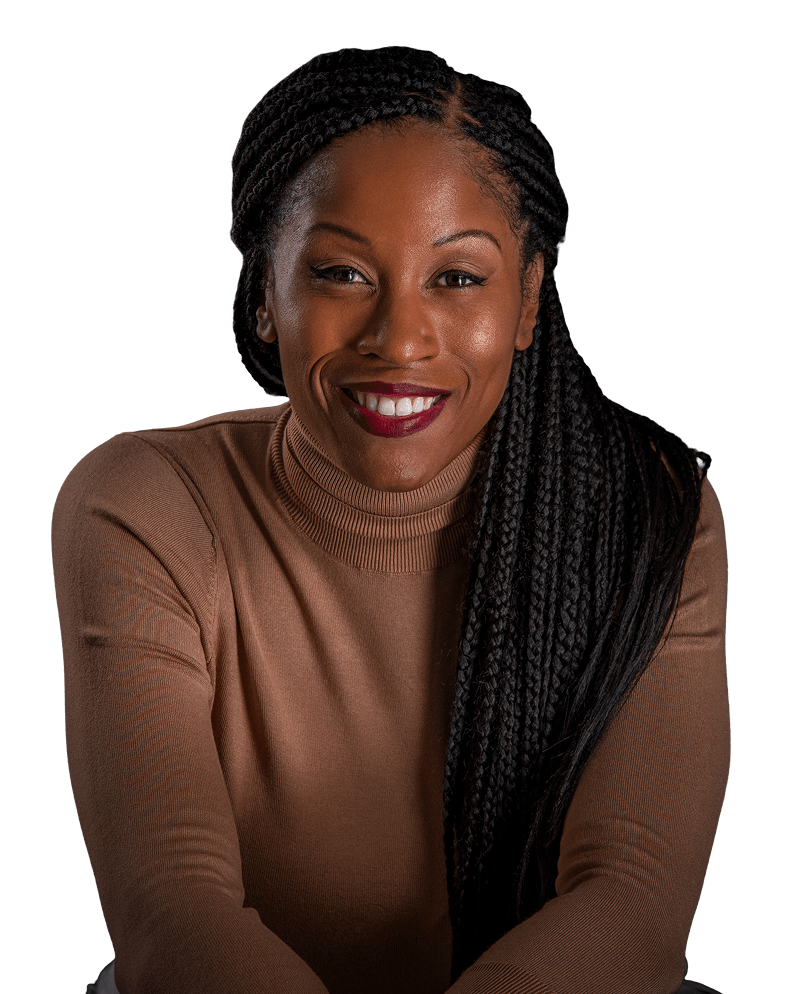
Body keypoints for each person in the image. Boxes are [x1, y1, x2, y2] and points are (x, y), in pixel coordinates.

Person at [52, 45, 730, 994]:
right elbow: (173, 912)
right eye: (340, 273)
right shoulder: (147, 506)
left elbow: (633, 902)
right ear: (262, 299)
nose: (399, 340)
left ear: (529, 301)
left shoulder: (646, 512)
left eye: (458, 279)